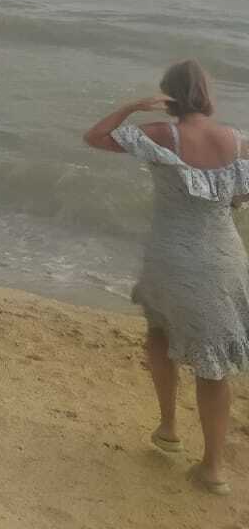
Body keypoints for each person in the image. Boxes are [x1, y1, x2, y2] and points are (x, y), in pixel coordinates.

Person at [85, 59, 249, 495]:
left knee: (160, 331)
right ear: (207, 94)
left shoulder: (162, 134)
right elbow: (240, 196)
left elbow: (95, 137)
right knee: (214, 367)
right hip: (225, 258)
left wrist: (133, 107)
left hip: (171, 256)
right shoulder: (238, 141)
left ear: (169, 94)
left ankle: (169, 427)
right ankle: (212, 468)